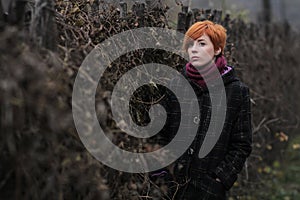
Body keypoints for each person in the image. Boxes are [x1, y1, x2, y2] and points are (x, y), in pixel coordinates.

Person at [154, 20, 252, 200]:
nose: (194, 49)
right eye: (190, 44)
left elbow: (242, 143)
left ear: (217, 49)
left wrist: (220, 178)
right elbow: (160, 132)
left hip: (209, 190)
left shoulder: (236, 91)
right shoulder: (175, 84)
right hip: (171, 188)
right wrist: (161, 174)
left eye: (202, 43)